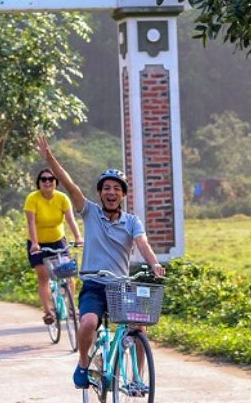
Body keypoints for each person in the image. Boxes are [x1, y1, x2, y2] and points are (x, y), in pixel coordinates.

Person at [35, 136, 165, 390]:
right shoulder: (90, 212)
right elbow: (70, 185)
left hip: (120, 288)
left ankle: (136, 379)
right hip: (94, 284)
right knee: (88, 323)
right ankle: (83, 363)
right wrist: (50, 159)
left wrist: (154, 264)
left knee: (139, 326)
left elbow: (143, 244)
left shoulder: (132, 222)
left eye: (117, 189)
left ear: (123, 195)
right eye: (106, 188)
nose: (111, 193)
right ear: (100, 192)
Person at [25, 168, 83, 325]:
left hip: (58, 241)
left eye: (50, 179)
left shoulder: (62, 198)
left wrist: (78, 237)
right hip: (38, 242)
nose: (47, 182)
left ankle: (72, 308)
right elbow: (31, 222)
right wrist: (35, 243)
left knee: (69, 274)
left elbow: (70, 220)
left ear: (56, 182)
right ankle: (48, 311)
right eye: (43, 179)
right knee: (43, 277)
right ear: (39, 183)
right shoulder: (33, 198)